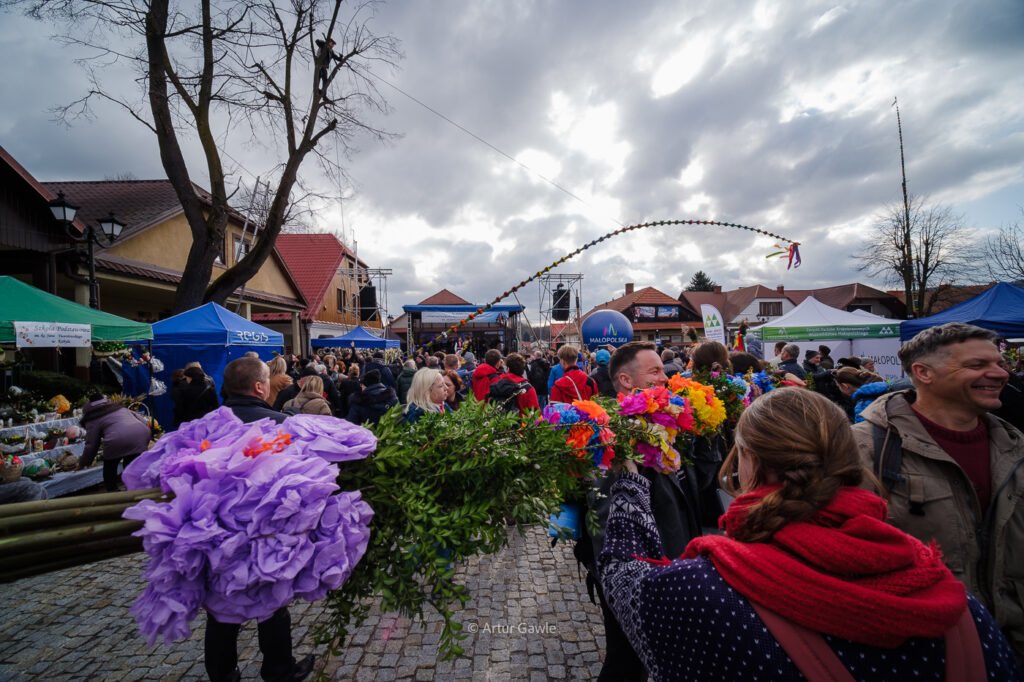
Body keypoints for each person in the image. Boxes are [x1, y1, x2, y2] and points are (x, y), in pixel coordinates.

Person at [599, 387, 1020, 682]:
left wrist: (628, 483)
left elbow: (620, 572)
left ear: (749, 460)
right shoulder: (947, 593)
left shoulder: (700, 591)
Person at [852, 322, 1024, 657]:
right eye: (977, 365)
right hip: (921, 649)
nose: (1000, 374)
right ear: (923, 373)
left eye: (999, 364)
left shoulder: (1015, 448)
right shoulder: (863, 448)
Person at [584, 341, 702, 682]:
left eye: (663, 371)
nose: (665, 378)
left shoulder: (660, 426)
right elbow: (609, 525)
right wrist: (636, 583)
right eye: (655, 372)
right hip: (642, 578)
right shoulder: (614, 439)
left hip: (672, 565)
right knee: (626, 664)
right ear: (625, 380)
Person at [211, 357, 313, 682]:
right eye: (268, 379)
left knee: (221, 605)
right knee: (271, 603)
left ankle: (223, 673)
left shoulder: (209, 423)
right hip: (267, 531)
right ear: (259, 387)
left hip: (218, 532)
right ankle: (279, 670)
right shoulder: (280, 424)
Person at [79, 394, 152, 492]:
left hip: (117, 439)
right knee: (132, 464)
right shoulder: (119, 408)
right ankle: (135, 490)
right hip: (141, 433)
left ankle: (113, 493)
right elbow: (143, 420)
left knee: (110, 467)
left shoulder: (93, 417)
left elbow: (92, 443)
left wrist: (83, 462)